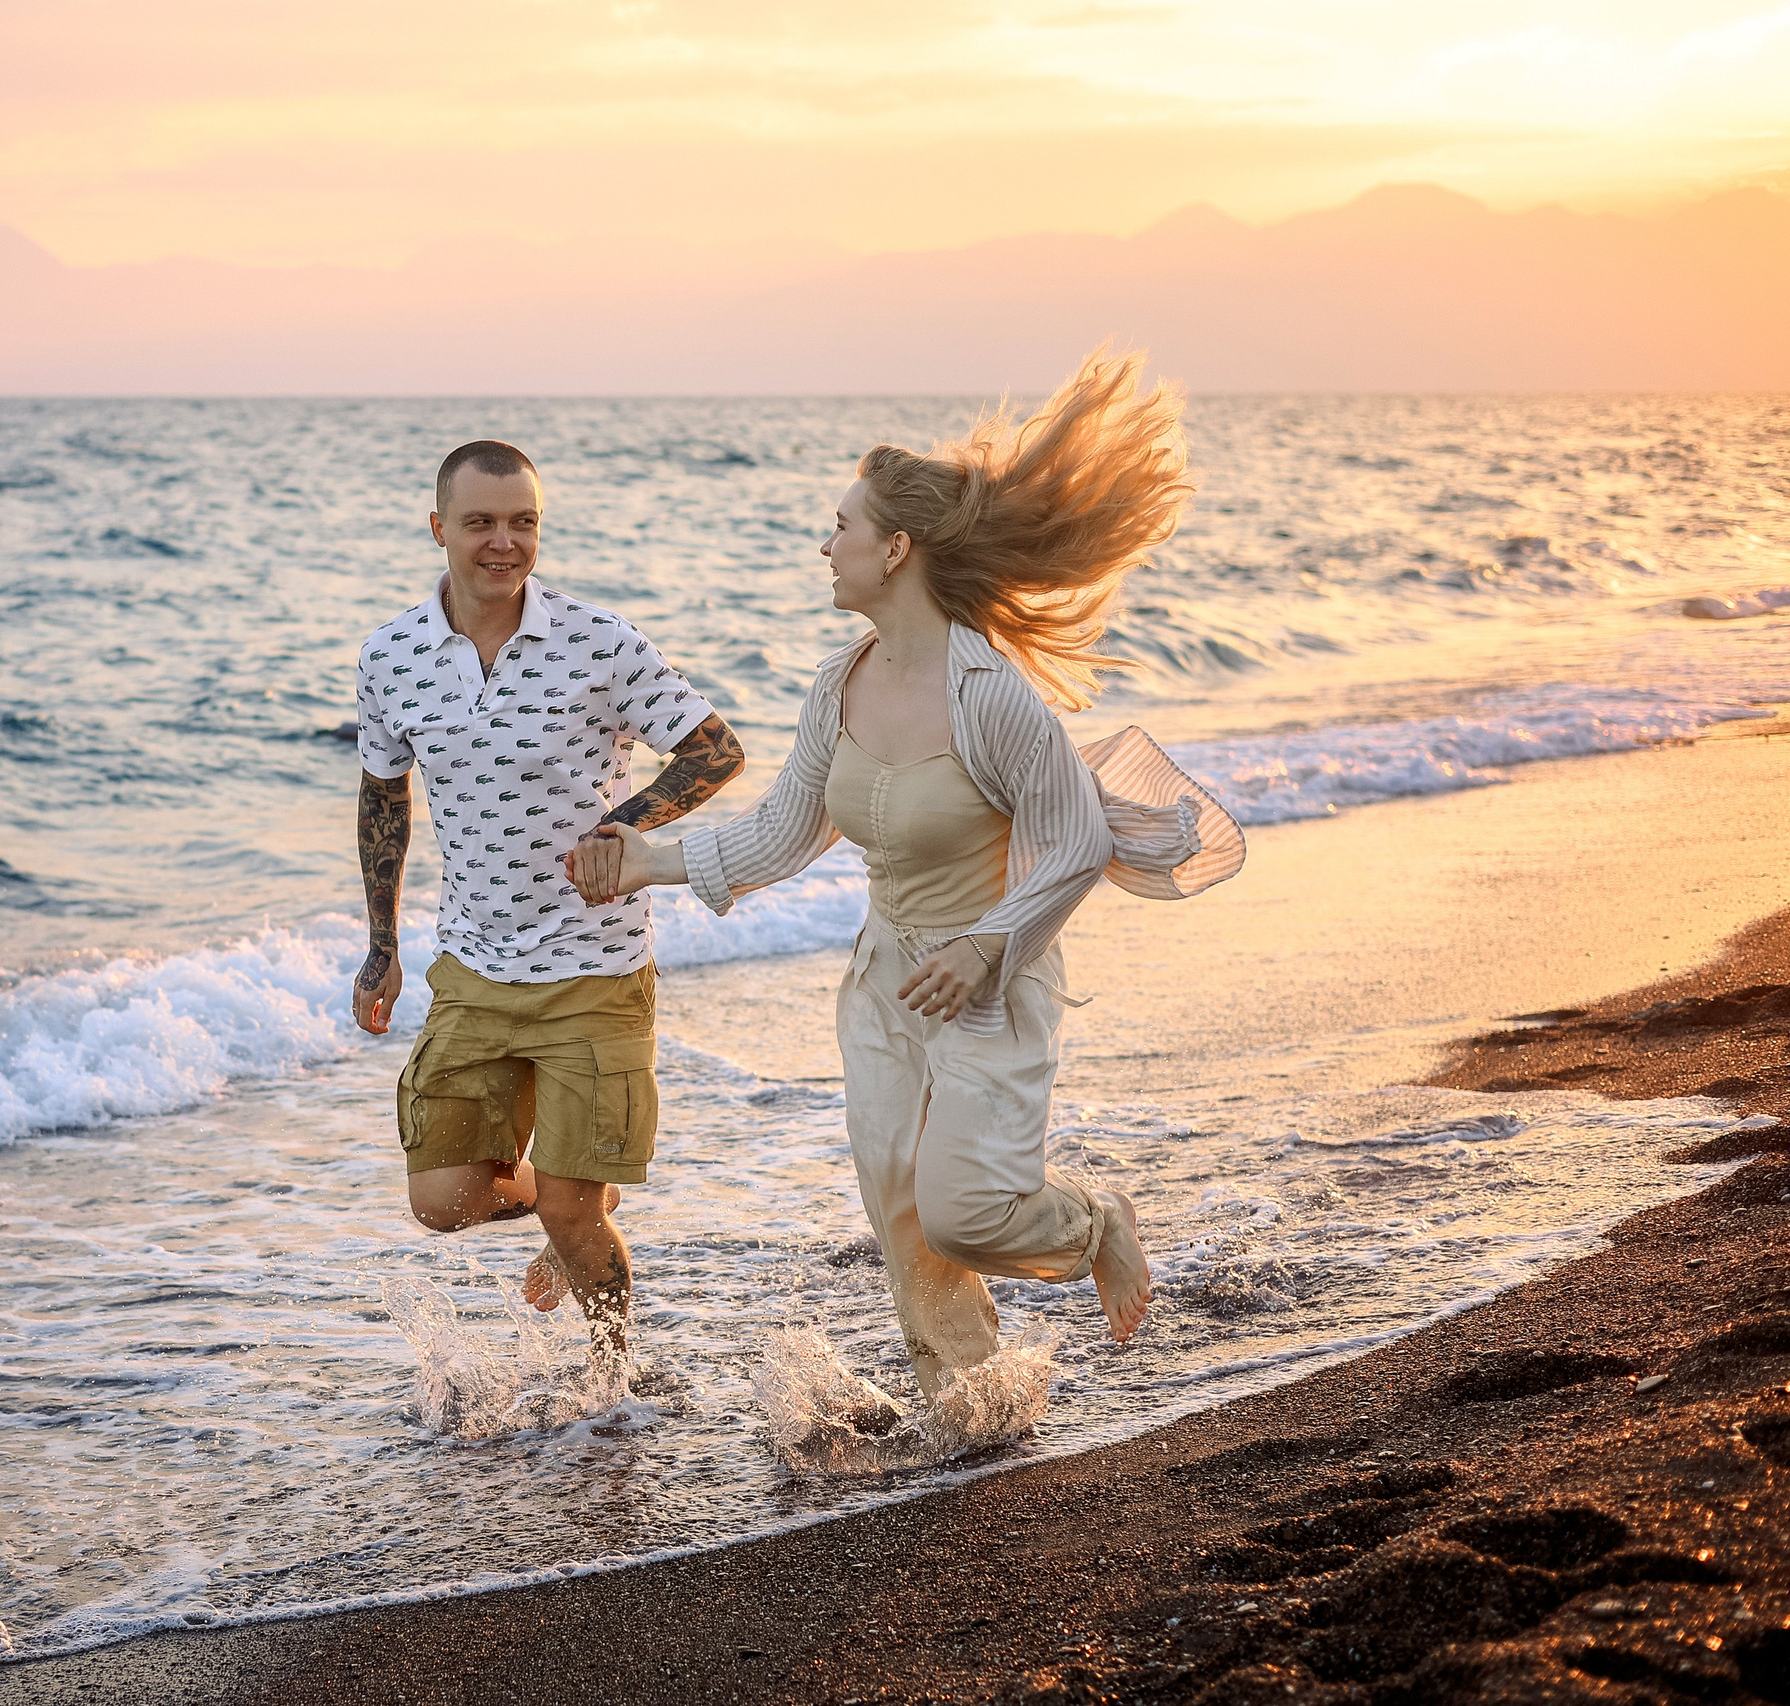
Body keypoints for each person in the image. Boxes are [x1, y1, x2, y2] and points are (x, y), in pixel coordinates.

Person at [565, 351, 1243, 1410]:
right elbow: (786, 832)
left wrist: (985, 949)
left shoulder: (991, 695)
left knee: (968, 1207)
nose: (823, 543)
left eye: (840, 525)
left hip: (985, 985)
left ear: (895, 547)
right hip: (885, 977)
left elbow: (1067, 844)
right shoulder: (837, 680)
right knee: (902, 1208)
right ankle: (969, 1406)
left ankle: (1095, 1221)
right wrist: (640, 861)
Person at [351, 439, 746, 1359]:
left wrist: (623, 832)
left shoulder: (598, 642)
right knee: (442, 1201)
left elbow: (715, 750)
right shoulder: (391, 655)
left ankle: (613, 1383)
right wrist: (383, 946)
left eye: (523, 522)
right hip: (475, 966)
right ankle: (568, 1192)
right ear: (439, 525)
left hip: (596, 971)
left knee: (576, 1221)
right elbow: (383, 798)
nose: (504, 542)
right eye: (482, 521)